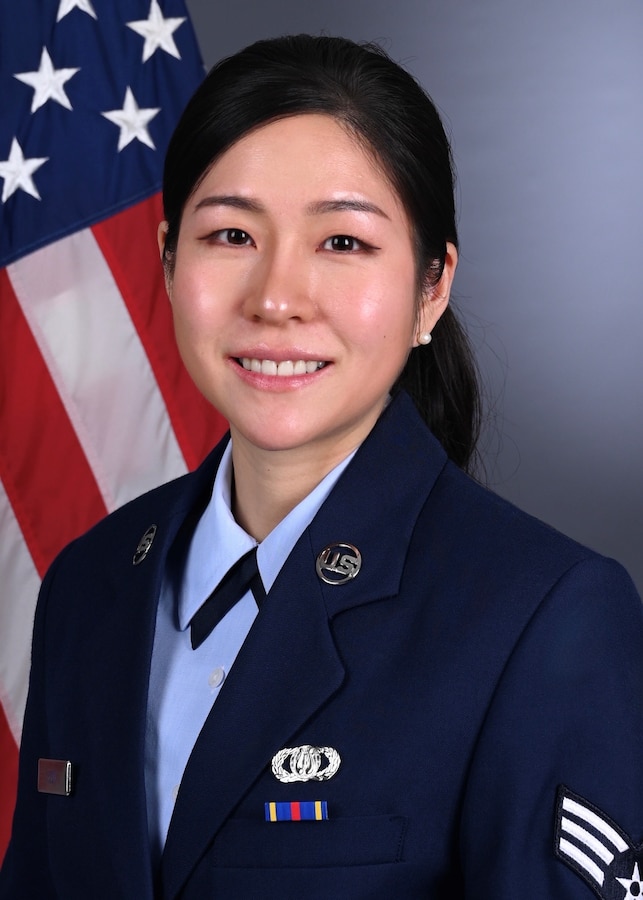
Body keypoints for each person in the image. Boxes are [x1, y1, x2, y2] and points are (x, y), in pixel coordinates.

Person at [1, 34, 641, 900]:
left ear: (431, 288)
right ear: (166, 259)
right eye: (231, 233)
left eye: (341, 243)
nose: (275, 297)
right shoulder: (89, 586)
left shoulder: (544, 618)